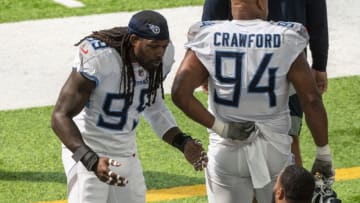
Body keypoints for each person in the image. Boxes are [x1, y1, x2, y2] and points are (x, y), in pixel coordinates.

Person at [171, 0, 334, 202]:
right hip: (273, 150)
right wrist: (323, 154)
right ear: (261, 2)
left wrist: (222, 128)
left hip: (226, 149)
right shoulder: (286, 37)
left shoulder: (207, 35)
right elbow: (311, 100)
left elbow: (179, 93)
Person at [51, 10, 208, 203]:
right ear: (134, 40)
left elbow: (154, 106)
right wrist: (90, 159)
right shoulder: (100, 57)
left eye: (163, 46)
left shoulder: (162, 57)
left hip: (126, 151)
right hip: (89, 146)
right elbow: (60, 116)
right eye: (153, 47)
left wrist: (182, 142)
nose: (159, 53)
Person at [201, 0, 329, 166]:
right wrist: (319, 63)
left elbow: (211, 16)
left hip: (238, 67)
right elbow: (316, 13)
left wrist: (204, 67)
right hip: (288, 64)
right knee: (287, 138)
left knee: (239, 142)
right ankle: (293, 190)